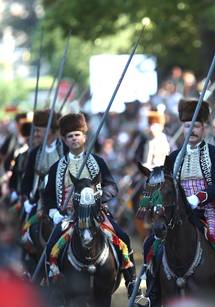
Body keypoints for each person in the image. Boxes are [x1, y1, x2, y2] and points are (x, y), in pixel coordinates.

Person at [143, 99, 215, 304]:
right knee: (150, 244)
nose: (191, 130)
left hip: (210, 210)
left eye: (196, 125)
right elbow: (167, 187)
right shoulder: (172, 158)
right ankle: (153, 293)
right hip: (179, 214)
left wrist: (199, 197)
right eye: (187, 125)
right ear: (182, 127)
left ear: (204, 127)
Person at [42, 113, 137, 297]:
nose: (74, 139)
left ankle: (132, 282)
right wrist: (55, 213)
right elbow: (48, 197)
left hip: (96, 214)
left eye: (77, 134)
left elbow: (112, 187)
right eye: (70, 136)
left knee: (123, 237)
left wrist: (97, 197)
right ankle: (52, 288)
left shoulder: (98, 162)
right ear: (64, 140)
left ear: (84, 136)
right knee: (50, 246)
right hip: (69, 217)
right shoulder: (57, 167)